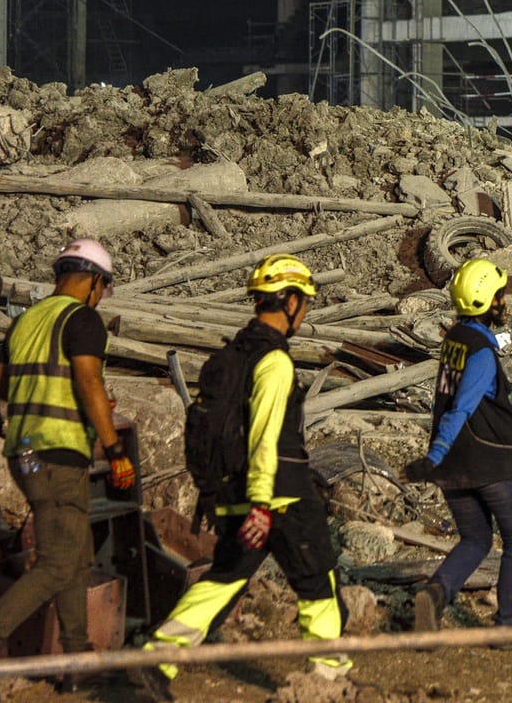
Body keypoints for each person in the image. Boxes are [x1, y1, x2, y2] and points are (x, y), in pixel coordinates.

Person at [131, 256, 349, 701]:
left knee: (223, 579)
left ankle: (157, 659)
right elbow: (265, 437)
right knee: (318, 581)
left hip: (229, 493)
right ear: (288, 301)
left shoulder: (227, 358)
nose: (305, 310)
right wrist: (263, 505)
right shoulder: (274, 361)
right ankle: (327, 675)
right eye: (304, 301)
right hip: (278, 498)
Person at [0, 238, 130, 697]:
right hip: (59, 455)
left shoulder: (25, 320)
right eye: (104, 288)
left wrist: (63, 396)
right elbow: (88, 380)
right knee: (55, 562)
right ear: (92, 282)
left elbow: (0, 387)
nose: (102, 297)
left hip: (23, 452)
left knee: (76, 557)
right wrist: (114, 448)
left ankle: (75, 659)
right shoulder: (82, 319)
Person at [403, 258, 512, 634]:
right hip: (491, 462)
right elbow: (463, 407)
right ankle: (508, 624)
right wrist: (431, 457)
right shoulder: (483, 352)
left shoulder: (456, 341)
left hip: (456, 468)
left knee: (477, 538)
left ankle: (435, 594)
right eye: (500, 296)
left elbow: (491, 394)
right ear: (486, 303)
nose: (504, 302)